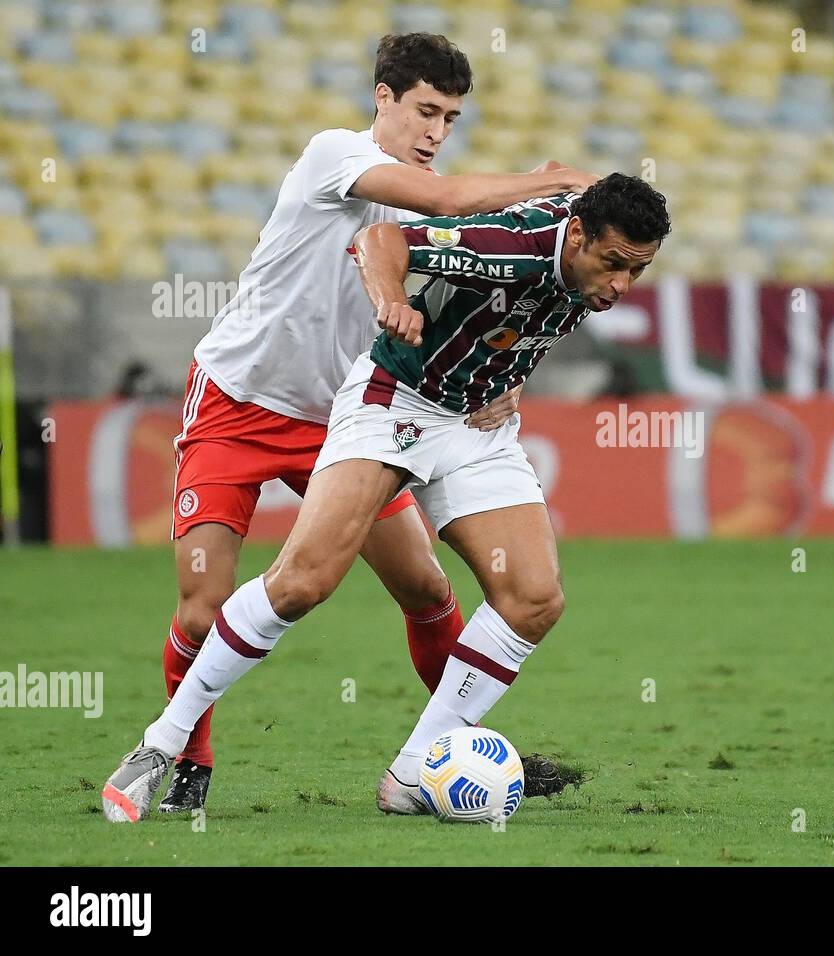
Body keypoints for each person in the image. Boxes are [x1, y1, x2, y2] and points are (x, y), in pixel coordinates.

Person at [102, 173, 670, 822]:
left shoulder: (593, 259)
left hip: (476, 424)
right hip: (395, 403)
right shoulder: (508, 245)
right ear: (575, 235)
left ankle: (412, 771)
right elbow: (382, 237)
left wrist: (508, 381)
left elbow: (517, 322)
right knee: (302, 583)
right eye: (614, 264)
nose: (623, 285)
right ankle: (162, 742)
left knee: (534, 598)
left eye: (639, 271)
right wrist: (390, 297)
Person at [155, 31, 595, 813]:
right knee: (203, 604)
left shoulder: (428, 211)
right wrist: (543, 183)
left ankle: (451, 745)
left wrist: (507, 383)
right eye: (426, 110)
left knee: (427, 587)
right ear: (383, 98)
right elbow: (451, 198)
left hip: (347, 418)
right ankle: (188, 760)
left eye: (452, 118)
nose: (437, 132)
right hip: (239, 404)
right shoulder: (337, 155)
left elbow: (478, 310)